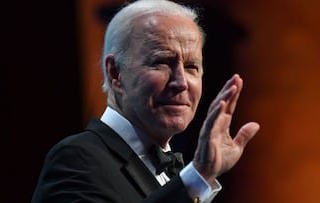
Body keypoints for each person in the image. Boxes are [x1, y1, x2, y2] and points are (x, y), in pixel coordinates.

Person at [31, 0, 260, 202]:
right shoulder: (76, 158)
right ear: (115, 73)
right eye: (161, 62)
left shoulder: (175, 173)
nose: (181, 82)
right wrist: (198, 173)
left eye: (191, 67)